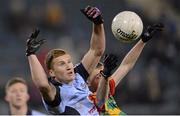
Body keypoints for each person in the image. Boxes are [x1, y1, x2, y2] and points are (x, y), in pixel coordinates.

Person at [26, 5, 105, 115]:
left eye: (69, 62)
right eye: (62, 64)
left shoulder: (78, 74)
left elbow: (97, 51)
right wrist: (31, 54)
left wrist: (98, 23)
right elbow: (42, 86)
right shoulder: (56, 92)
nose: (68, 66)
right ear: (52, 72)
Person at [87, 23, 164, 115]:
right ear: (87, 82)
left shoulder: (107, 88)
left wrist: (142, 41)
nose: (102, 78)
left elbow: (126, 65)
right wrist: (105, 74)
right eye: (98, 76)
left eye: (103, 72)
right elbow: (100, 100)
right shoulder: (90, 99)